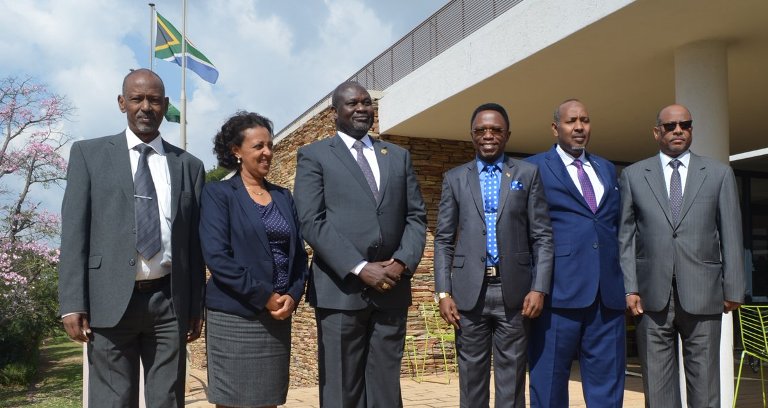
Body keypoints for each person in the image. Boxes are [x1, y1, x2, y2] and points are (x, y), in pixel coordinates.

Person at [58, 68, 205, 408]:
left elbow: (194, 245)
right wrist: (72, 303)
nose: (146, 107)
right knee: (112, 401)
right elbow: (74, 232)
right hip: (107, 302)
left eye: (154, 100)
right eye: (137, 99)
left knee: (167, 400)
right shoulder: (88, 155)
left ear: (165, 105)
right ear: (122, 102)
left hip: (169, 302)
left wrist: (196, 305)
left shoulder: (189, 166)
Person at [293, 81, 427, 407]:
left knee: (385, 388)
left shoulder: (397, 156)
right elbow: (311, 220)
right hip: (341, 291)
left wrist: (401, 263)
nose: (362, 108)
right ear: (335, 112)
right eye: (352, 103)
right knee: (342, 389)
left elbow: (415, 217)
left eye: (366, 102)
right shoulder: (314, 156)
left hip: (391, 290)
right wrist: (360, 267)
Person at [619, 103, 745, 407]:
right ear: (656, 132)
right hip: (652, 297)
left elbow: (731, 233)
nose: (678, 130)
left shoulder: (719, 174)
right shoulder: (634, 175)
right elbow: (625, 236)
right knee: (658, 388)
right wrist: (630, 286)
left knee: (705, 385)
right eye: (671, 126)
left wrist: (734, 288)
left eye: (685, 125)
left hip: (705, 294)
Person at [433, 102, 553, 407]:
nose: (489, 135)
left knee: (512, 381)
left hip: (515, 294)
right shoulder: (455, 178)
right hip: (467, 295)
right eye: (481, 130)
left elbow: (541, 236)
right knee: (471, 380)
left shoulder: (527, 173)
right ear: (472, 135)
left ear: (507, 134)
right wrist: (443, 292)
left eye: (496, 130)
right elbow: (444, 240)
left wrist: (539, 287)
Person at [200, 111, 308, 408]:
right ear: (236, 151)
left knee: (269, 401)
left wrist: (293, 296)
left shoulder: (284, 196)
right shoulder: (218, 194)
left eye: (270, 145)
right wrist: (265, 296)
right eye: (258, 146)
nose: (267, 152)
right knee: (233, 402)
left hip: (276, 319)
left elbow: (298, 254)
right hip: (235, 317)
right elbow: (217, 258)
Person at [525, 99, 625, 407]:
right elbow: (525, 228)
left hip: (607, 297)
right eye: (571, 121)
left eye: (584, 120)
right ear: (556, 128)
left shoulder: (607, 169)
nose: (579, 127)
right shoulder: (534, 168)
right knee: (550, 383)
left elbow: (616, 228)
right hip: (557, 294)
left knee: (608, 385)